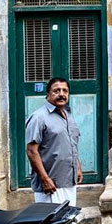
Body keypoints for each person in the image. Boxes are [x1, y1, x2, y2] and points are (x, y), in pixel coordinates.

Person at [25, 77, 82, 206]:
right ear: (48, 94)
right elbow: (31, 151)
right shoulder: (39, 117)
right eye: (56, 91)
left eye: (65, 91)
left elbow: (71, 143)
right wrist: (45, 179)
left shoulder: (68, 115)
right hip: (51, 185)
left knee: (67, 221)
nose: (61, 94)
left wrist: (77, 166)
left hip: (69, 180)